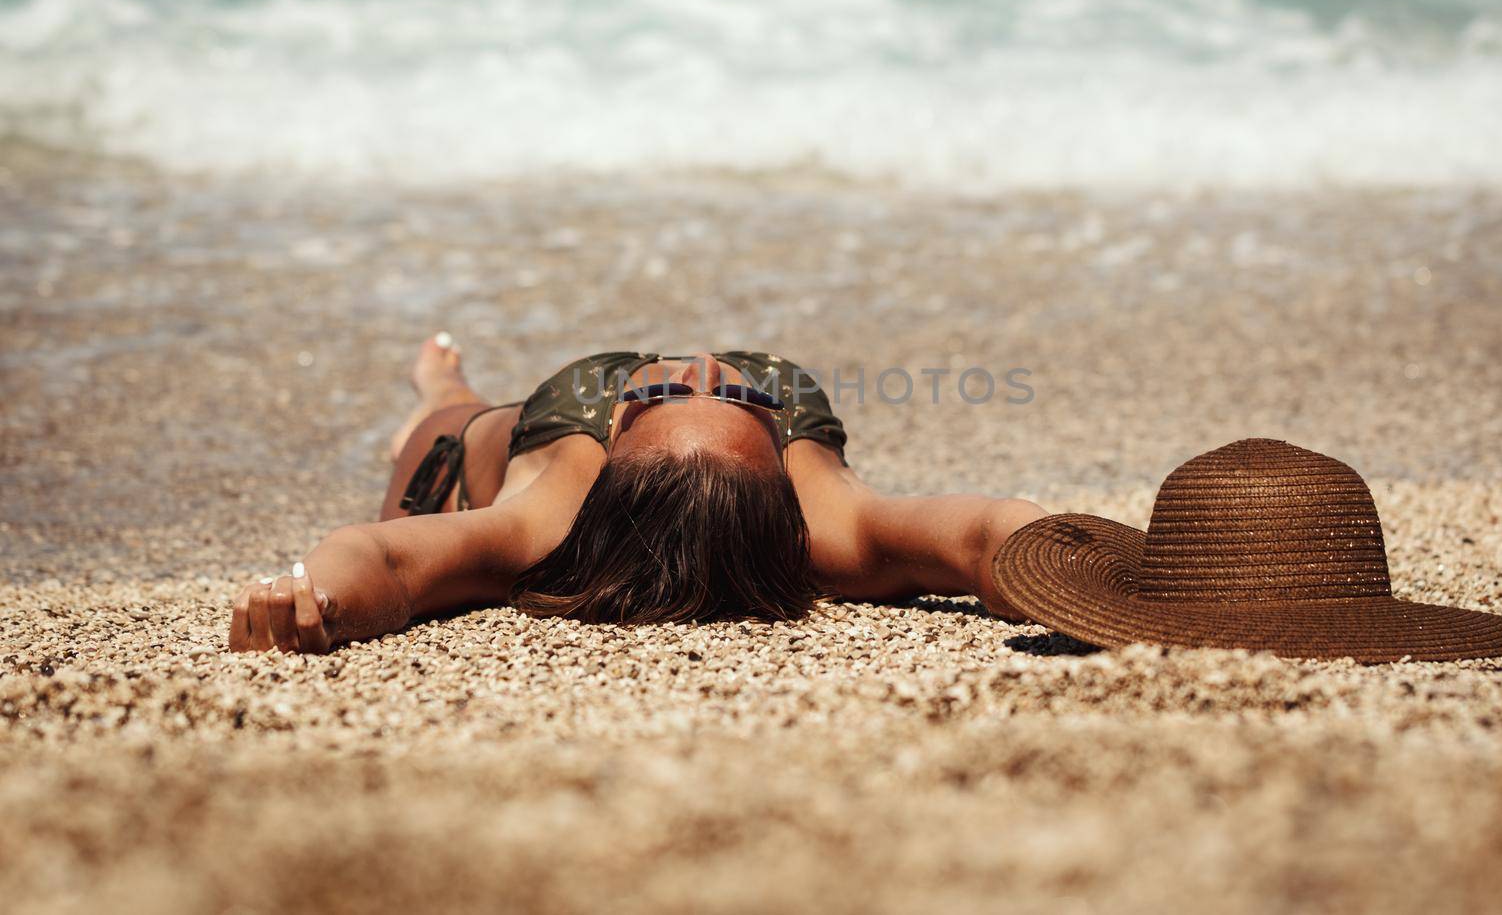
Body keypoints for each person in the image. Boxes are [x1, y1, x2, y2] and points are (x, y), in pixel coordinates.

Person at [228, 335, 1044, 653]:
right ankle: (443, 374)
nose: (699, 363)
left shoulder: (545, 518)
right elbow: (987, 536)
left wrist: (311, 601)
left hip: (474, 449)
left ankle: (442, 382)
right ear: (779, 471)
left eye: (745, 392)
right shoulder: (827, 516)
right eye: (752, 397)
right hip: (661, 450)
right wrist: (1097, 566)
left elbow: (386, 558)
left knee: (446, 418)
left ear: (617, 440)